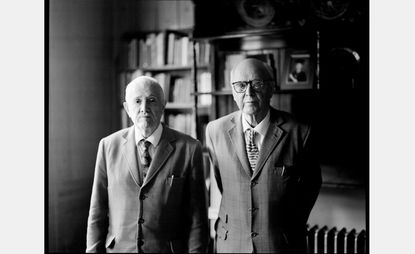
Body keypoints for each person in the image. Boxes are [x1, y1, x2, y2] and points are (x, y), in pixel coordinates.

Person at [205, 59, 321, 253]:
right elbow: (221, 181)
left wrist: (289, 225)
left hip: (280, 243)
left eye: (257, 84)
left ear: (271, 88)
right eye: (241, 86)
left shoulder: (300, 132)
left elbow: (311, 184)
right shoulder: (215, 130)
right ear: (233, 92)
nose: (248, 93)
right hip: (232, 242)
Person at [86, 76, 209, 253]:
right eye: (137, 101)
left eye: (152, 100)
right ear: (127, 108)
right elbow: (97, 212)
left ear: (163, 105)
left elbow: (198, 220)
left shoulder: (189, 148)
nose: (144, 108)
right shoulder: (108, 146)